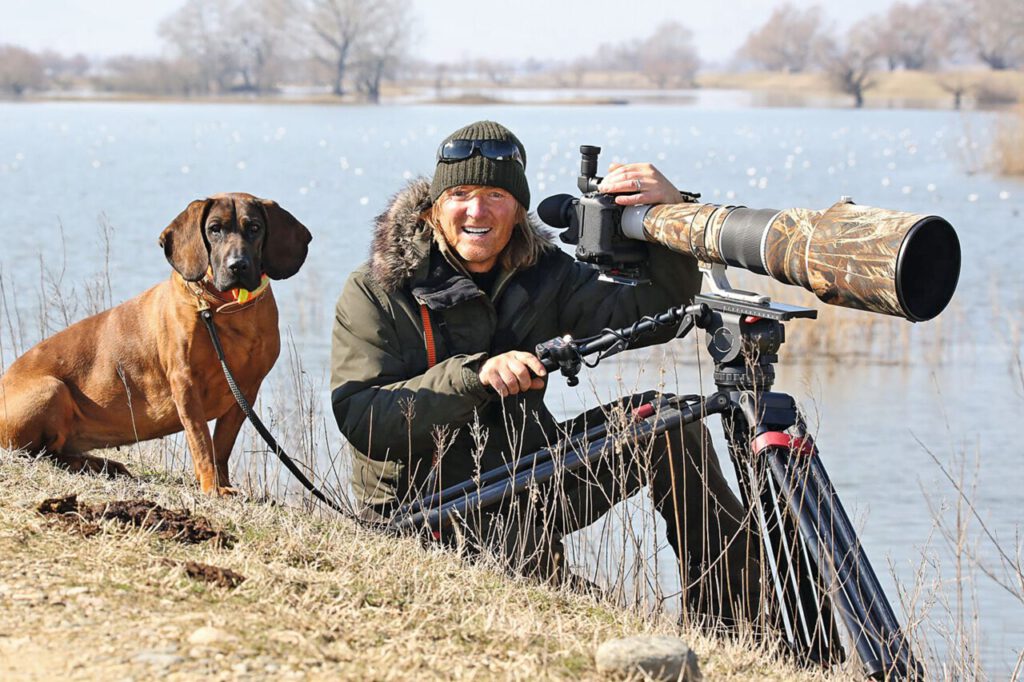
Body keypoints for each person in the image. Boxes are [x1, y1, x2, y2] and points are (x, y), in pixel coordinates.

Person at [331, 120, 759, 622]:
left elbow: (658, 312)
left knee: (669, 426)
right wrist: (475, 376)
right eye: (460, 195)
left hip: (527, 479)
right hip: (426, 508)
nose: (477, 211)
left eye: (495, 195)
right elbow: (362, 417)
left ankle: (734, 624)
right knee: (569, 604)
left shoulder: (543, 271)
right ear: (433, 208)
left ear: (518, 209)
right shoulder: (377, 288)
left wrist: (670, 211)